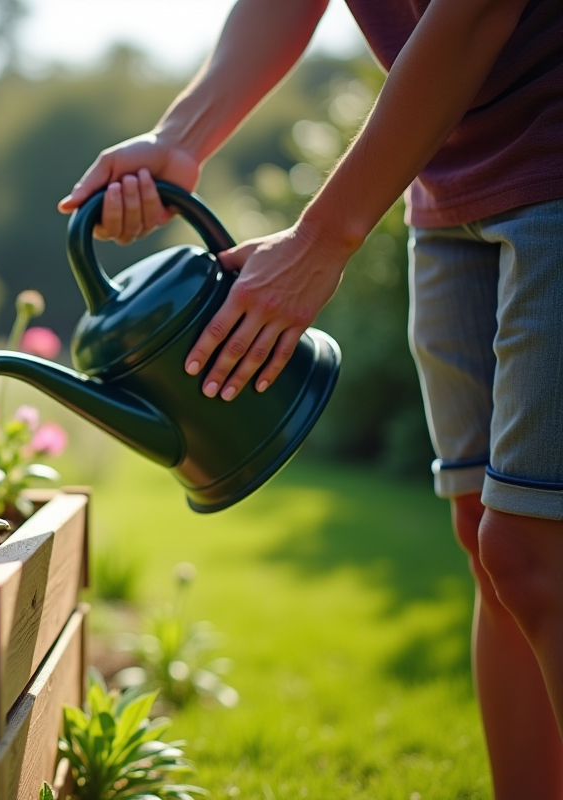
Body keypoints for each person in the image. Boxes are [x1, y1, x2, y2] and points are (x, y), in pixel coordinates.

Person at [57, 0, 563, 796]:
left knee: (533, 551)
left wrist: (322, 240)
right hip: (443, 180)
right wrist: (181, 137)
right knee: (488, 545)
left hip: (552, 163)